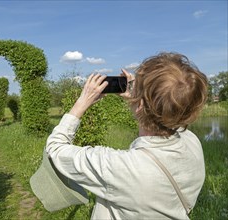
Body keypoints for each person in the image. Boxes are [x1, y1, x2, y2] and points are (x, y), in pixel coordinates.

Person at [45, 52, 208, 219]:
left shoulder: (119, 168)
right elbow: (172, 113)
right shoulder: (192, 143)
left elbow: (55, 149)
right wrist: (141, 99)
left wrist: (82, 102)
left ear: (141, 104)